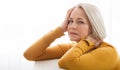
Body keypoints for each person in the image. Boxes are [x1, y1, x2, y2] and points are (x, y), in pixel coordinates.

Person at [23, 3, 120, 70]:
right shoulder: (72, 48)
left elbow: (66, 62)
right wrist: (60, 29)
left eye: (80, 22)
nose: (72, 26)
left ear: (94, 26)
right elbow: (30, 54)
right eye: (70, 21)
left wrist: (88, 41)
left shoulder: (109, 52)